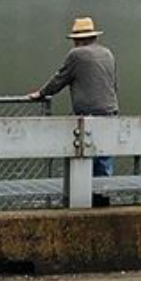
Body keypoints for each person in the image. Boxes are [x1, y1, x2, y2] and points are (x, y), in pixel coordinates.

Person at [28, 16, 118, 176]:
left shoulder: (76, 55)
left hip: (88, 114)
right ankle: (102, 190)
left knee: (83, 162)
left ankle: (83, 190)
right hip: (110, 112)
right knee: (103, 159)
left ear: (78, 40)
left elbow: (59, 79)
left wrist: (41, 93)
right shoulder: (107, 53)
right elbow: (114, 84)